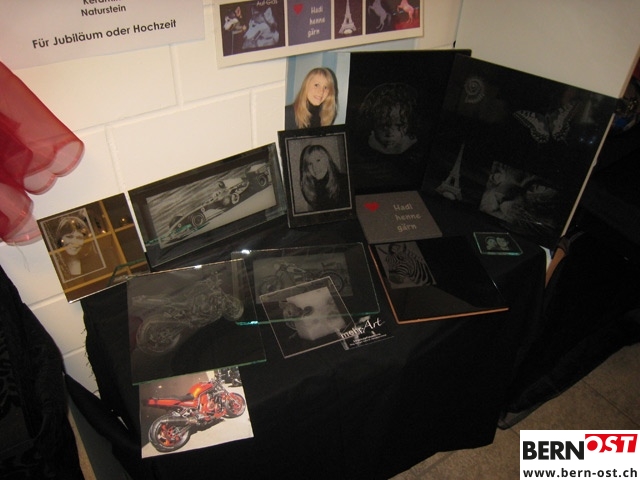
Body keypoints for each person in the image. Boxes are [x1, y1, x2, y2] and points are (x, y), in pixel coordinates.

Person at [299, 144, 349, 211]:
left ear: (327, 160)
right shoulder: (312, 188)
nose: (315, 167)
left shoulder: (344, 182)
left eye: (318, 160)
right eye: (310, 164)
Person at [54, 215, 101, 280]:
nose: (74, 242)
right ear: (60, 239)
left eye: (79, 238)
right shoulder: (56, 267)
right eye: (69, 237)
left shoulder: (95, 263)